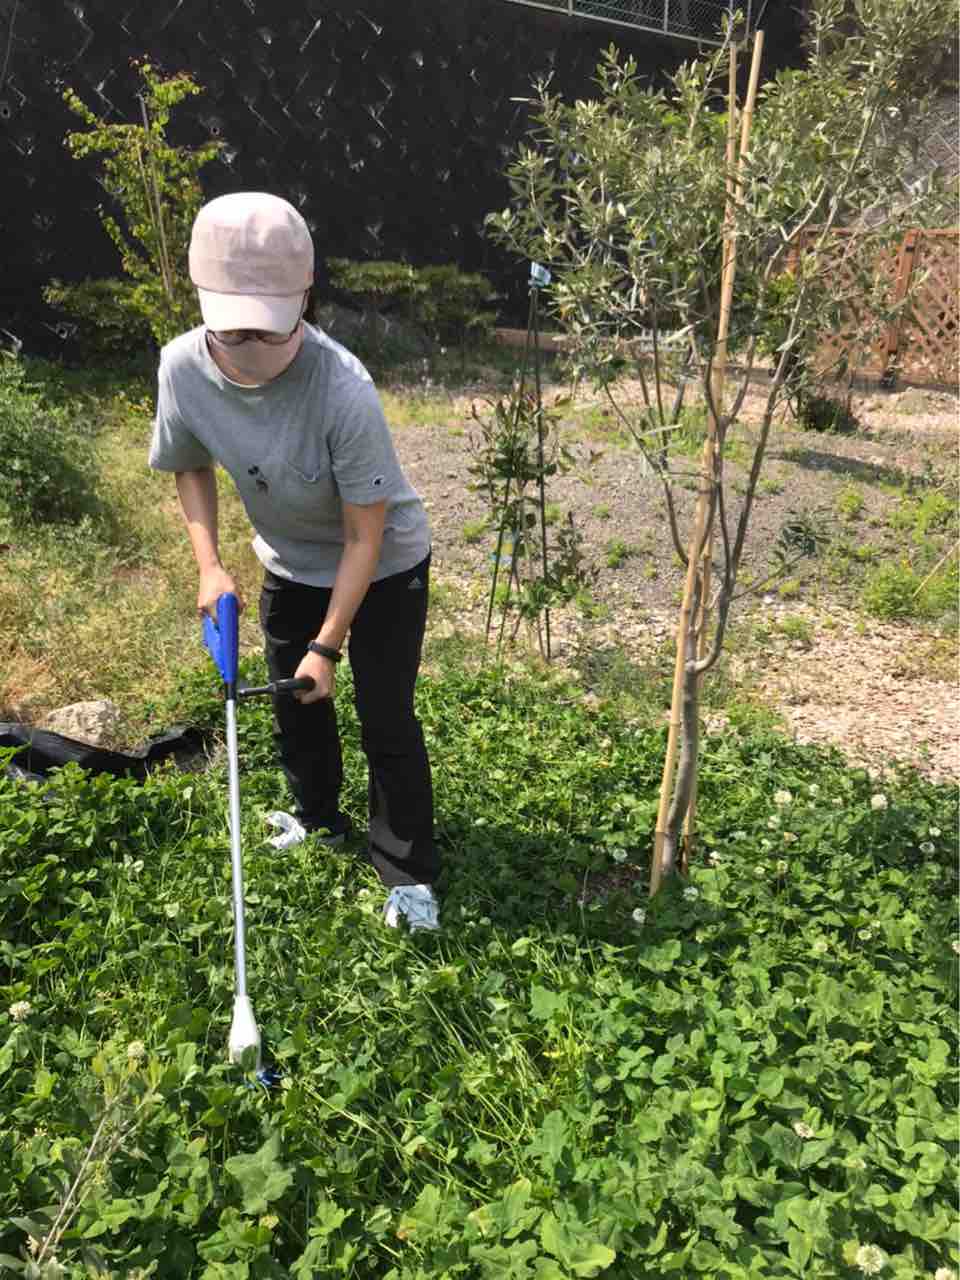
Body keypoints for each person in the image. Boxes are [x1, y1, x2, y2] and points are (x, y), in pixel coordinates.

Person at [148, 191, 438, 931]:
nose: (249, 349)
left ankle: (406, 871)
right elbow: (188, 463)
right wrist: (209, 565)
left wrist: (326, 645)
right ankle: (317, 816)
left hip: (383, 567)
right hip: (288, 560)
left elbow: (365, 538)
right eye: (233, 331)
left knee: (385, 717)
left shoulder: (343, 389)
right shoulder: (180, 367)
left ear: (304, 298)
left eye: (265, 331)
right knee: (293, 705)